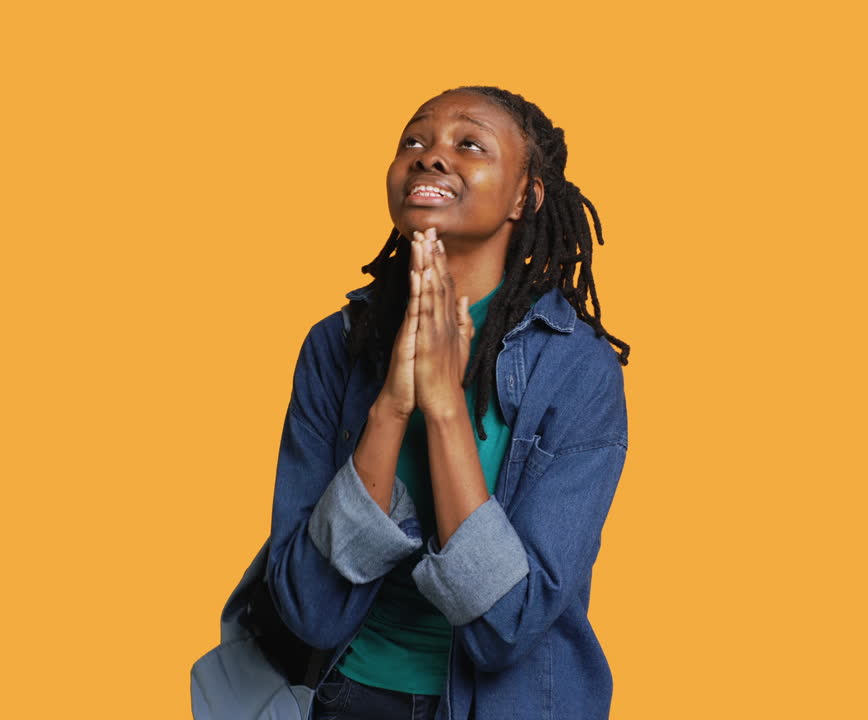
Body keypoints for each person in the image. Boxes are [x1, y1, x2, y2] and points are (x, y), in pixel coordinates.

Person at [265, 85, 631, 720]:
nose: (431, 157)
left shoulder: (576, 369)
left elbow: (507, 628)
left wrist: (445, 408)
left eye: (469, 144)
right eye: (414, 141)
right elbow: (307, 610)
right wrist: (390, 408)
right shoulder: (337, 346)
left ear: (527, 195)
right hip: (347, 699)